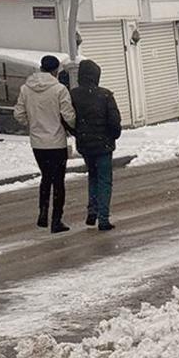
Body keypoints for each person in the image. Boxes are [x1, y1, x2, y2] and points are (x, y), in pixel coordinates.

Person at [14, 55, 75, 233]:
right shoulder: (59, 89)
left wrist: (32, 123)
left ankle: (43, 213)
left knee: (46, 177)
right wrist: (72, 127)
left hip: (37, 142)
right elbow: (69, 116)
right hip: (56, 142)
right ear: (56, 70)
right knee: (58, 181)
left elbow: (18, 114)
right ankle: (57, 220)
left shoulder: (26, 89)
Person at [70, 59, 122, 231]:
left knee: (92, 176)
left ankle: (92, 210)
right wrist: (113, 135)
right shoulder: (105, 95)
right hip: (104, 144)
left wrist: (77, 133)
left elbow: (68, 118)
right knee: (104, 180)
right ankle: (103, 218)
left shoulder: (73, 95)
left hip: (85, 143)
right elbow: (114, 120)